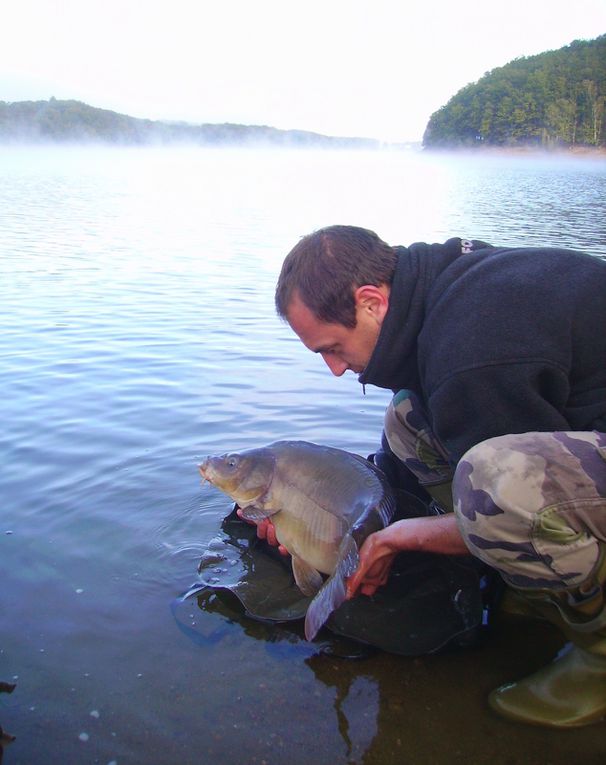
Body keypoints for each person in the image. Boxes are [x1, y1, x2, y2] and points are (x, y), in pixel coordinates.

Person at [270, 224, 606, 729]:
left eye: (333, 348)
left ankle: (598, 654)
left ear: (370, 301)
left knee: (494, 484)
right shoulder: (439, 287)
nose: (335, 370)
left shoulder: (474, 348)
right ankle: (540, 585)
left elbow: (501, 491)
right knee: (407, 422)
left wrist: (401, 538)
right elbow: (405, 466)